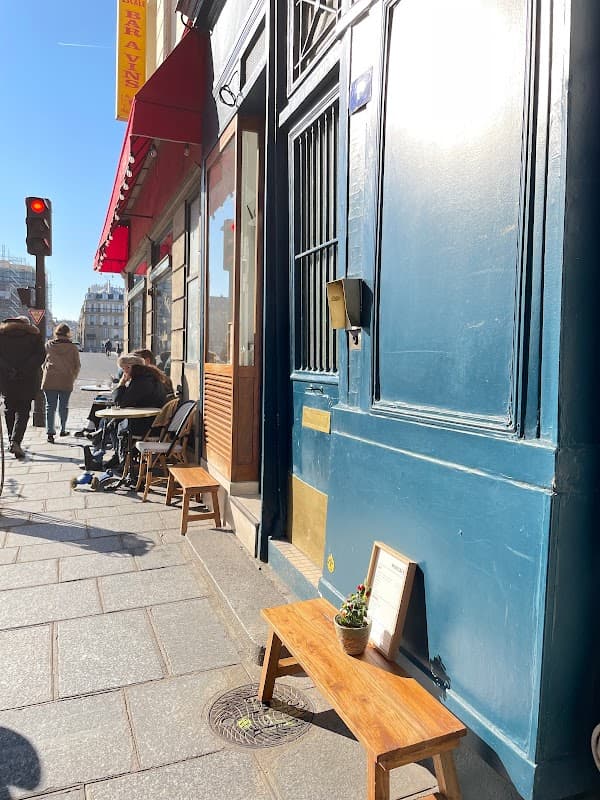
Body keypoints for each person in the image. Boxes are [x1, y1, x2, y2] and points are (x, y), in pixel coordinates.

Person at [104, 354, 168, 470]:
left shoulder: (141, 381)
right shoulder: (149, 377)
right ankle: (119, 457)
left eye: (124, 369)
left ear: (129, 367)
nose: (123, 372)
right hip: (153, 422)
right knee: (113, 422)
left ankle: (123, 461)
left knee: (116, 424)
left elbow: (120, 402)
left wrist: (122, 384)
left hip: (147, 426)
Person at [0, 316, 46, 459]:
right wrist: (23, 370)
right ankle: (15, 441)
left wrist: (9, 369)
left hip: (7, 379)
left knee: (9, 409)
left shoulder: (2, 335)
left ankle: (12, 440)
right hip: (27, 379)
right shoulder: (34, 335)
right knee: (23, 410)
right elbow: (40, 356)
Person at [41, 323, 81, 443]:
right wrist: (73, 377)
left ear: (56, 333)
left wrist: (45, 371)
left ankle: (50, 433)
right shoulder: (73, 348)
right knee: (64, 406)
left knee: (50, 407)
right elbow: (77, 365)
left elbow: (42, 362)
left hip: (50, 379)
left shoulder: (48, 345)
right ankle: (63, 429)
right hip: (66, 379)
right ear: (68, 334)